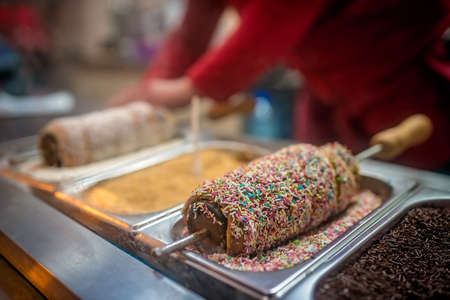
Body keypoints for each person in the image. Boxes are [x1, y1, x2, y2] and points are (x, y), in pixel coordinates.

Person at [109, 0, 450, 170]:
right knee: (317, 171)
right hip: (321, 85)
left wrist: (175, 92)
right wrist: (144, 101)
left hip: (401, 78)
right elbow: (189, 37)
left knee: (405, 184)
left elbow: (271, 23)